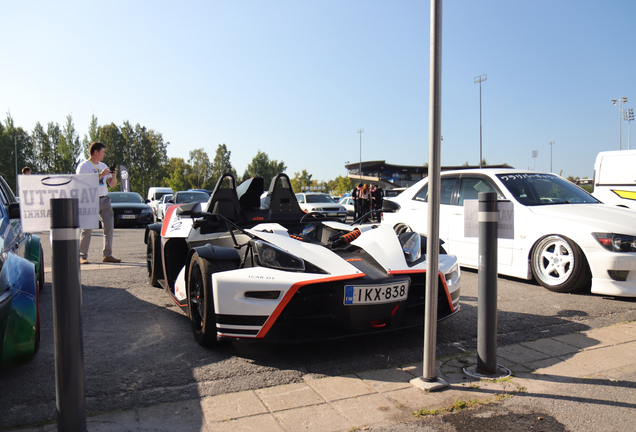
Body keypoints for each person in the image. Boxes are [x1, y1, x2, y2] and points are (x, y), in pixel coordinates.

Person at [76, 142, 121, 264]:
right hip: (89, 199)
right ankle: (82, 256)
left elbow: (112, 184)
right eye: (103, 152)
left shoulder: (103, 165)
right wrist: (101, 175)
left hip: (104, 199)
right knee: (87, 229)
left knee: (109, 227)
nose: (104, 154)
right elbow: (83, 183)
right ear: (96, 152)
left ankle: (107, 255)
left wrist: (114, 176)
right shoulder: (83, 167)